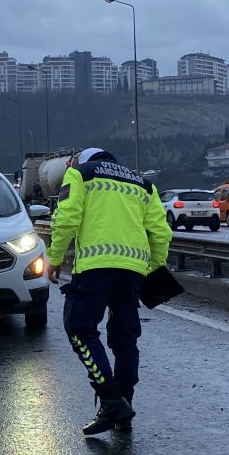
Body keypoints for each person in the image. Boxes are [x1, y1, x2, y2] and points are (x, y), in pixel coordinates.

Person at [47, 148, 172, 435]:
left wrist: (55, 258)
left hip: (95, 267)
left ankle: (111, 400)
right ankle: (123, 411)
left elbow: (67, 218)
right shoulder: (143, 184)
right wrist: (155, 268)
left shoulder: (80, 173)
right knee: (124, 338)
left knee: (79, 329)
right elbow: (161, 232)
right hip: (133, 271)